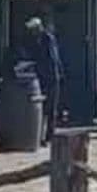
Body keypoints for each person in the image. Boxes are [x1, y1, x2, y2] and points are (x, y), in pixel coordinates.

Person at [19, 16, 64, 144]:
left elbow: (52, 59)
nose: (32, 32)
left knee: (50, 108)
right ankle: (41, 135)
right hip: (43, 76)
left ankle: (49, 135)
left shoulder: (47, 39)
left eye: (34, 29)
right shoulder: (36, 40)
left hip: (51, 76)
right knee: (43, 107)